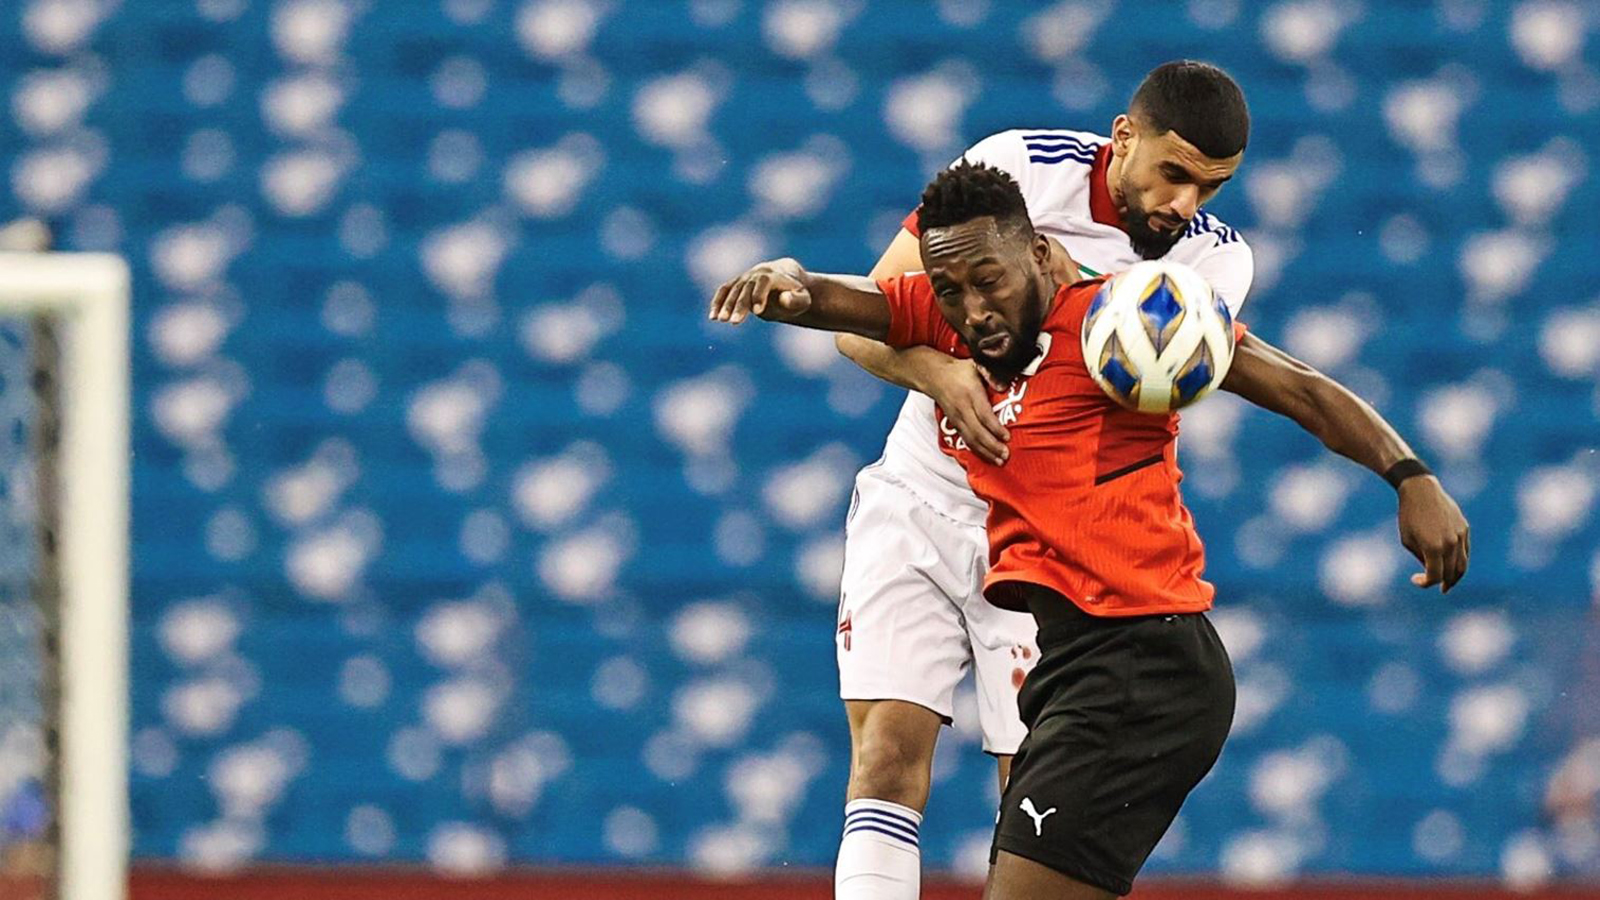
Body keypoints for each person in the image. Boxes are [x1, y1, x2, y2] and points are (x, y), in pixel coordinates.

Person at [706, 160, 1470, 899]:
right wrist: (785, 280)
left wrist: (1411, 477)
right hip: (1076, 664)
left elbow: (1298, 388)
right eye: (951, 290)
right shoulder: (954, 323)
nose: (974, 310)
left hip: (1147, 667)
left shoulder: (1124, 322)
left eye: (990, 281)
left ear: (1040, 253)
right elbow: (841, 300)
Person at [827, 60, 1253, 900]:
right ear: (1124, 137)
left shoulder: (1215, 263)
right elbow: (862, 321)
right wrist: (941, 373)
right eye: (1173, 173)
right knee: (886, 757)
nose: (1184, 204)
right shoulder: (1019, 166)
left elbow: (1143, 393)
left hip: (1045, 545)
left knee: (1029, 798)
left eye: (1210, 188)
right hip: (918, 493)